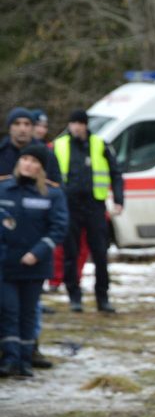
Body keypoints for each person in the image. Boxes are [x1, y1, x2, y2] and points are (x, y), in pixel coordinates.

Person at [0, 144, 68, 377]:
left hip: (35, 265)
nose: (28, 163)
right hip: (5, 264)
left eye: (34, 161)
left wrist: (36, 253)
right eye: (25, 159)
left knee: (28, 313)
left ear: (41, 167)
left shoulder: (52, 193)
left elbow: (58, 228)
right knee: (9, 311)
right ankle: (10, 358)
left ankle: (25, 360)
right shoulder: (4, 188)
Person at [53, 109, 124, 313]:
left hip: (95, 206)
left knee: (100, 254)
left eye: (79, 123)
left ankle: (103, 297)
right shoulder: (59, 145)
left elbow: (115, 173)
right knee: (71, 253)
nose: (75, 127)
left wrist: (118, 199)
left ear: (85, 125)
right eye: (72, 123)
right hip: (69, 206)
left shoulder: (100, 145)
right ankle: (74, 296)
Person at [0, 107, 61, 183]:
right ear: (9, 127)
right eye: (17, 123)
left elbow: (57, 187)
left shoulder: (46, 154)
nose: (22, 129)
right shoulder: (2, 151)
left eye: (27, 124)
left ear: (32, 127)